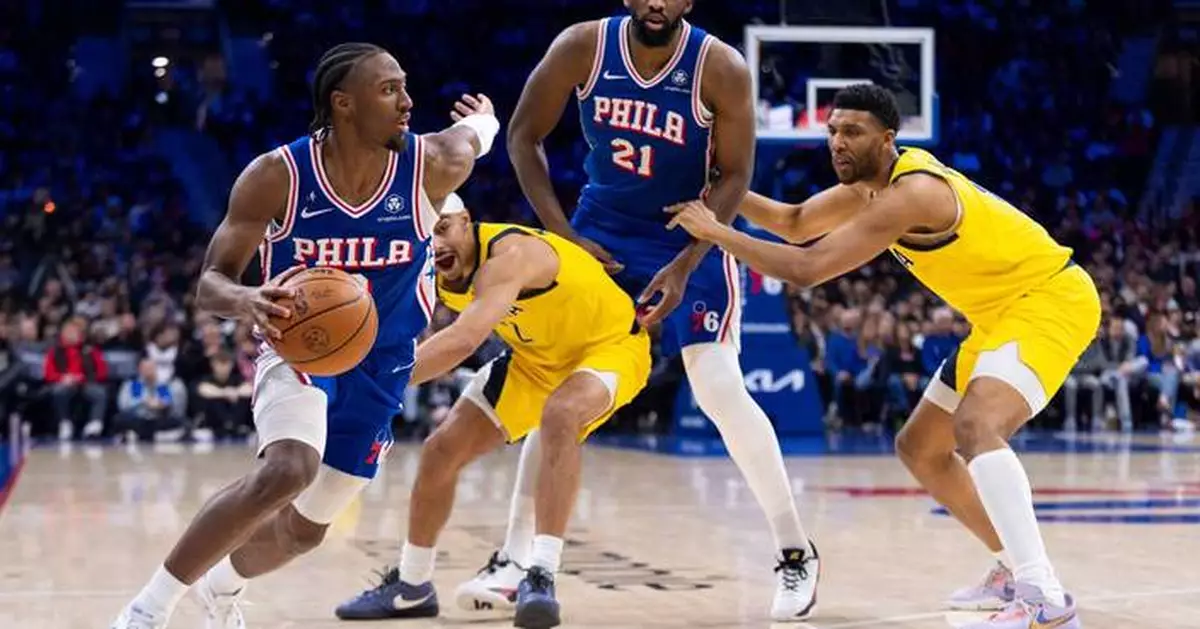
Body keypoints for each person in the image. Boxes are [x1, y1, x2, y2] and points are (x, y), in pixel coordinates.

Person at [666, 83, 1098, 629]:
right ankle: (1013, 567)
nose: (837, 143)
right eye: (832, 132)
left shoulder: (913, 192)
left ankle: (1045, 598)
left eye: (852, 132)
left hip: (1050, 299)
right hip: (998, 315)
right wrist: (722, 190)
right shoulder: (869, 189)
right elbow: (796, 223)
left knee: (976, 426)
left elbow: (806, 268)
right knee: (921, 448)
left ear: (887, 138)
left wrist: (716, 231)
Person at [109, 42, 500, 629]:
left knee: (302, 533)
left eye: (405, 85)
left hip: (384, 363)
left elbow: (475, 135)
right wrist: (246, 299)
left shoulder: (434, 163)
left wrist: (484, 117)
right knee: (289, 469)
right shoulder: (278, 176)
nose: (407, 101)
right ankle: (148, 610)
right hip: (301, 349)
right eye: (388, 89)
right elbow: (211, 283)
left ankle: (223, 586)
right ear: (344, 104)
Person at [491, 0, 820, 621]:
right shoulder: (582, 47)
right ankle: (517, 559)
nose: (656, 3)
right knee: (555, 388)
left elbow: (736, 172)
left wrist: (686, 262)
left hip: (688, 232)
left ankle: (795, 551)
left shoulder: (719, 67)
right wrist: (563, 236)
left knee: (720, 391)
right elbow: (521, 137)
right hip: (601, 232)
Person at [333, 195, 650, 628]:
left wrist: (371, 380)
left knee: (559, 414)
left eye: (444, 228)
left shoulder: (509, 255)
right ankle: (412, 586)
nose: (436, 243)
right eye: (425, 235)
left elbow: (463, 341)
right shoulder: (431, 272)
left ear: (467, 221)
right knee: (440, 450)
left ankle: (538, 574)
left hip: (609, 346)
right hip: (534, 361)